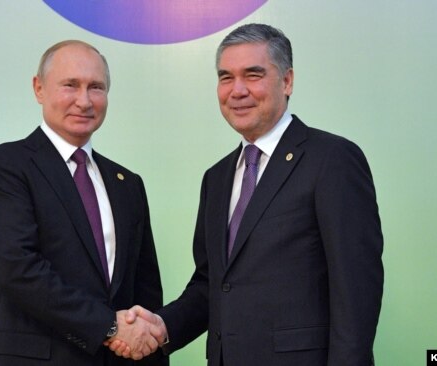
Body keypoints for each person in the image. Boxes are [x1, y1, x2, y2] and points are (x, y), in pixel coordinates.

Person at [109, 23, 384, 365]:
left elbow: (356, 287)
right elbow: (213, 284)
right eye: (226, 77)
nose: (237, 90)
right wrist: (162, 327)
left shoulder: (332, 159)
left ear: (287, 81)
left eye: (253, 75)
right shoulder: (217, 177)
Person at [0, 40, 167, 365]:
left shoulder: (127, 184)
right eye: (70, 85)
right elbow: (18, 269)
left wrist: (147, 348)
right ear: (39, 88)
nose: (84, 100)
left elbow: (145, 291)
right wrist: (109, 326)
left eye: (96, 87)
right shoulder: (5, 166)